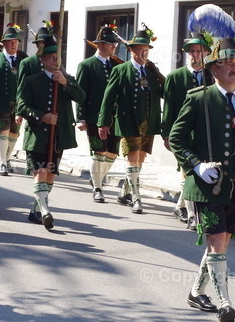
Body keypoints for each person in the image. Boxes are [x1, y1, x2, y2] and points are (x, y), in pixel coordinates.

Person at [169, 31, 235, 322]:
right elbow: (177, 138)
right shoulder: (200, 99)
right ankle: (224, 302)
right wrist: (196, 166)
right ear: (214, 68)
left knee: (222, 243)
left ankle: (194, 292)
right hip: (208, 186)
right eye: (228, 63)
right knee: (215, 241)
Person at [16, 35, 85, 230]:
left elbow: (81, 96)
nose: (56, 60)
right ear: (43, 60)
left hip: (58, 137)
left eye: (58, 56)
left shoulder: (66, 79)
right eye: (51, 57)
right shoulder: (32, 81)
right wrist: (41, 116)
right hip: (38, 136)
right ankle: (45, 211)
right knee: (41, 171)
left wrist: (65, 83)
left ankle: (37, 209)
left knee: (50, 174)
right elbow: (21, 106)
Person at [98, 28, 165, 214]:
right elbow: (108, 97)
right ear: (131, 50)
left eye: (146, 49)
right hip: (128, 122)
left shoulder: (151, 72)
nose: (144, 52)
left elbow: (166, 92)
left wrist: (157, 72)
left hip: (149, 122)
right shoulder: (120, 70)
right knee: (133, 158)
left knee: (140, 159)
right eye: (139, 49)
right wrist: (103, 122)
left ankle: (125, 192)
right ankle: (136, 198)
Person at [162, 32, 211, 227]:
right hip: (183, 134)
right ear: (187, 53)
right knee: (188, 170)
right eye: (192, 51)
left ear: (205, 53)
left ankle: (181, 206)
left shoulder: (212, 74)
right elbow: (169, 107)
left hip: (206, 132)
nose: (195, 54)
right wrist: (167, 134)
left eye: (199, 51)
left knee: (198, 171)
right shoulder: (175, 77)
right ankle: (192, 215)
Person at [76, 24, 122, 203]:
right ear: (101, 44)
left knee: (112, 153)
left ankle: (96, 177)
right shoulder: (86, 65)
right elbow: (81, 94)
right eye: (111, 44)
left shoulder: (116, 65)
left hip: (114, 118)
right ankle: (98, 187)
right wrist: (81, 118)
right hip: (94, 117)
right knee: (99, 151)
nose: (114, 47)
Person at [0, 24, 28, 175]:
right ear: (4, 43)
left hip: (18, 103)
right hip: (0, 102)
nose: (14, 44)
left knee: (14, 134)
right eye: (11, 42)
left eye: (16, 42)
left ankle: (7, 158)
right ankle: (3, 162)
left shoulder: (23, 60)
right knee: (3, 132)